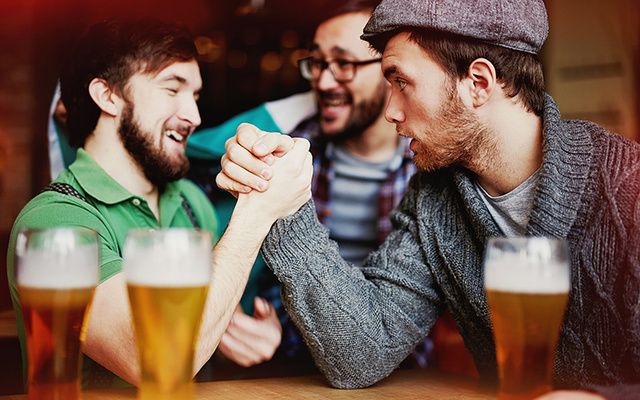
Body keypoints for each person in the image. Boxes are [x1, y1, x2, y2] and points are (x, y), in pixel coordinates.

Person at [215, 0, 640, 398]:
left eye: (402, 82)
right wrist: (287, 208)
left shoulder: (627, 184)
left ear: (478, 83)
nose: (391, 112)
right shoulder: (434, 198)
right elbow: (361, 353)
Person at [7, 18, 312, 387]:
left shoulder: (191, 202)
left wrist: (241, 335)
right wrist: (256, 212)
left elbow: (205, 325)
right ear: (108, 96)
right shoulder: (54, 220)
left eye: (195, 96)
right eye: (172, 89)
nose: (194, 117)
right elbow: (152, 359)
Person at [188, 0, 435, 374]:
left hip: (406, 378)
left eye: (344, 64)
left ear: (391, 72)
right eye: (317, 63)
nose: (322, 81)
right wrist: (244, 326)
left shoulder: (429, 169)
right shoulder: (287, 151)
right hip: (286, 374)